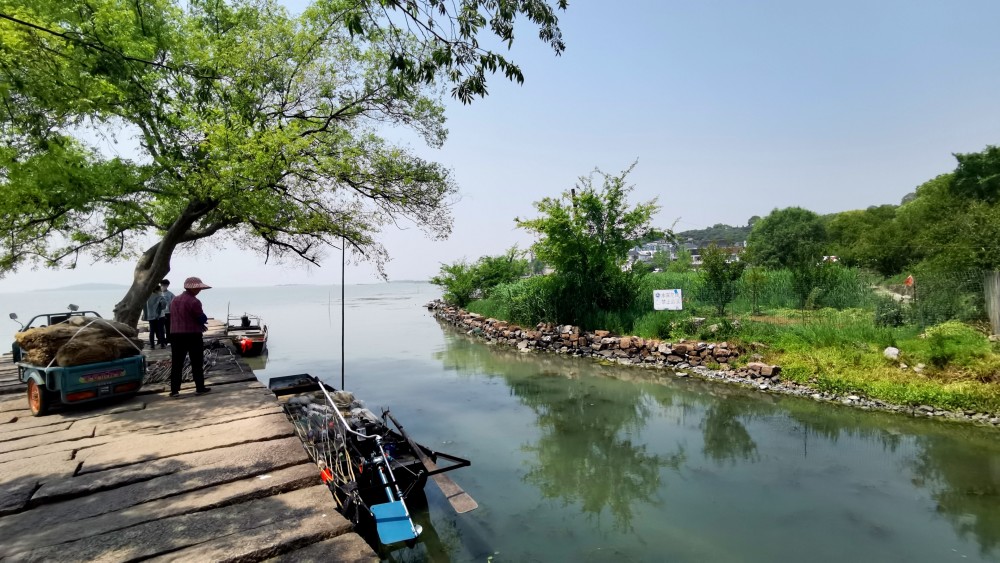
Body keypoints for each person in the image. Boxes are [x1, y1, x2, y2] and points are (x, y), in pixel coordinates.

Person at [169, 277, 213, 398]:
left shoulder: (174, 300)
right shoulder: (194, 301)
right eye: (198, 288)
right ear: (192, 288)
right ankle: (200, 388)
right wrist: (202, 322)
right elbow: (201, 318)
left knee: (177, 363)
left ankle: (174, 390)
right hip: (192, 334)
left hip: (175, 335)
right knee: (197, 362)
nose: (199, 290)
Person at [159, 279, 175, 345]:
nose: (163, 286)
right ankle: (161, 340)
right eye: (162, 285)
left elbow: (174, 304)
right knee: (160, 328)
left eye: (164, 285)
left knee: (168, 327)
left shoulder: (170, 294)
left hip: (168, 313)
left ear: (167, 285)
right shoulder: (158, 293)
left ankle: (169, 339)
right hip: (160, 313)